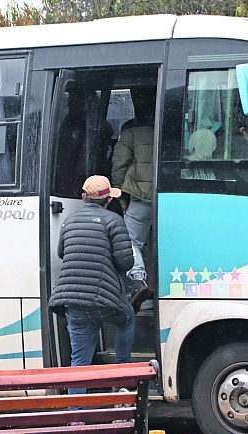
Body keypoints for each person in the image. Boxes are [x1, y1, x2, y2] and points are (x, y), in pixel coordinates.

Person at [48, 175, 135, 396]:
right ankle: (122, 376)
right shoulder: (114, 220)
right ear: (108, 200)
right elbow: (126, 262)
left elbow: (62, 252)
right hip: (105, 301)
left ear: (84, 197)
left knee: (79, 361)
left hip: (72, 302)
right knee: (127, 318)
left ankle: (76, 416)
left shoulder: (69, 220)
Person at [111, 87, 156, 308]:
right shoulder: (166, 127)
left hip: (139, 196)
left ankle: (138, 280)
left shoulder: (130, 131)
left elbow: (119, 164)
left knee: (131, 241)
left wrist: (118, 193)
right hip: (166, 196)